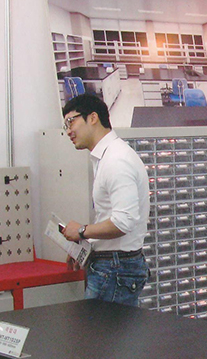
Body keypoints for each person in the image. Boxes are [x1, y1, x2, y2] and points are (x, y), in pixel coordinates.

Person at [60, 93, 150, 306]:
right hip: (113, 266)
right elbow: (110, 216)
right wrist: (85, 246)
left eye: (71, 122)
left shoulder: (116, 160)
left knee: (99, 328)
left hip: (115, 269)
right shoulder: (107, 157)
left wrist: (81, 231)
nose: (68, 131)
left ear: (93, 118)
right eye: (66, 125)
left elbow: (123, 222)